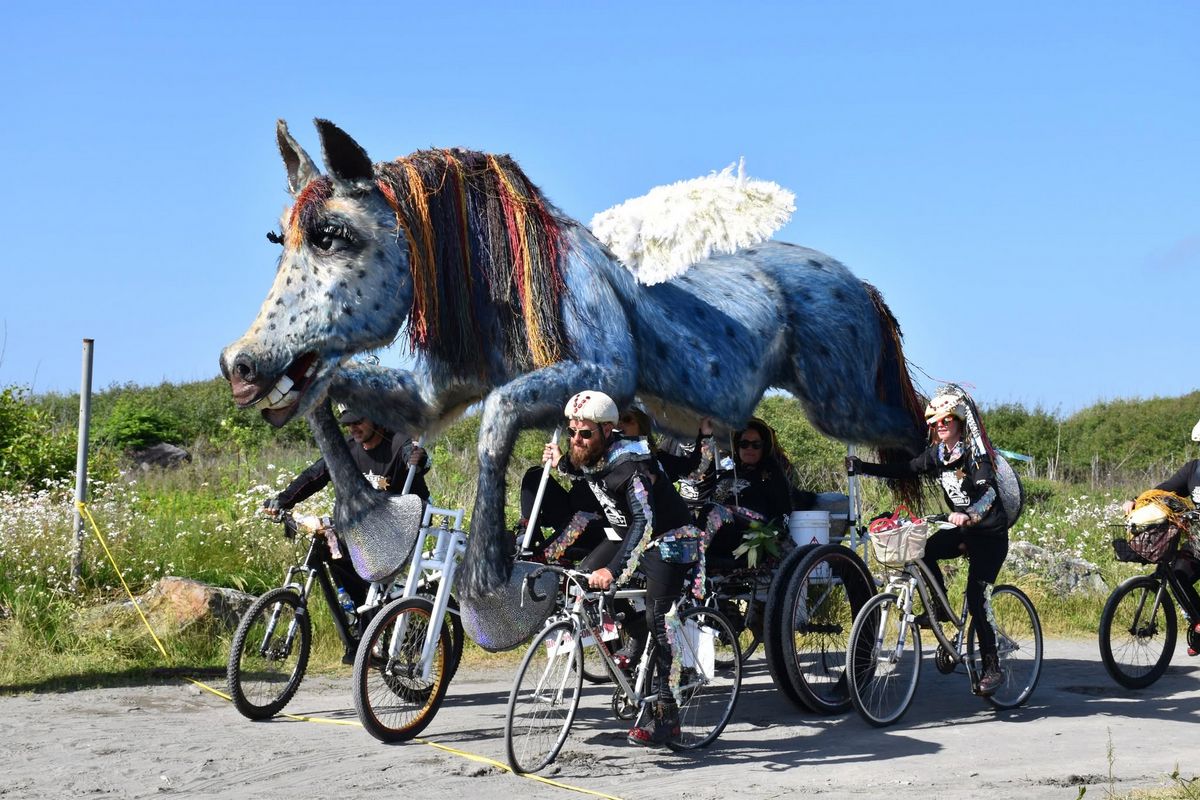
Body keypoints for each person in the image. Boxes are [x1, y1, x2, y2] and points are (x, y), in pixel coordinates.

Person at [545, 390, 703, 747]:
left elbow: (644, 523)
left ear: (607, 430)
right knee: (582, 583)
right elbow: (588, 467)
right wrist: (562, 461)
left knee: (660, 619)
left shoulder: (631, 466)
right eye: (572, 432)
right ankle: (633, 652)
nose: (576, 440)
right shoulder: (599, 452)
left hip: (669, 538)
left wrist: (614, 572)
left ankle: (668, 713)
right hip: (628, 534)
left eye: (585, 434)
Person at [847, 392, 1008, 696]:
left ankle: (992, 666)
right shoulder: (939, 455)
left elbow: (988, 494)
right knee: (925, 551)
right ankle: (941, 608)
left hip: (989, 535)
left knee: (977, 597)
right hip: (963, 532)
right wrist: (864, 467)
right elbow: (907, 468)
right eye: (936, 421)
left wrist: (971, 514)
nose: (942, 425)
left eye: (948, 419)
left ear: (960, 422)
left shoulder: (976, 457)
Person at [263, 406, 430, 659]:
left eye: (358, 422)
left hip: (400, 525)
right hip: (362, 528)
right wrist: (283, 500)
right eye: (348, 424)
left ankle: (371, 634)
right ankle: (363, 632)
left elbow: (415, 456)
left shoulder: (397, 442)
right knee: (332, 551)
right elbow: (315, 475)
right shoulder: (347, 448)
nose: (353, 428)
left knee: (364, 565)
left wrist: (419, 459)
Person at [1120, 418, 1200, 646]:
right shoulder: (1193, 470)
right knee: (1178, 573)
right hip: (1198, 543)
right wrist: (1137, 501)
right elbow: (1165, 488)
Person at [704, 418, 812, 567]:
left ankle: (698, 552)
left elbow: (783, 512)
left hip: (749, 538)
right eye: (744, 444)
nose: (749, 448)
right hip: (716, 535)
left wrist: (772, 535)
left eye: (756, 445)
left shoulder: (771, 476)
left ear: (764, 448)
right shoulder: (725, 476)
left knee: (715, 512)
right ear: (737, 447)